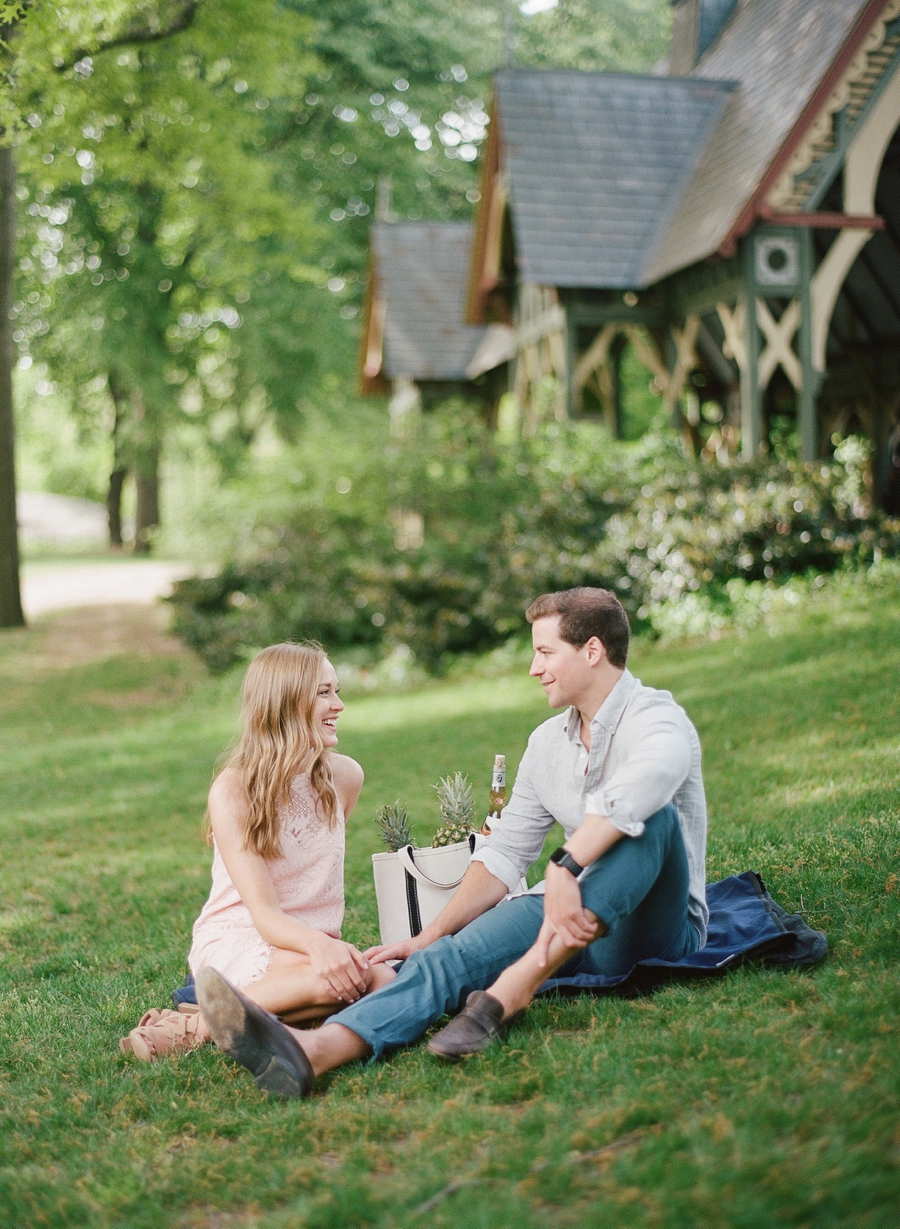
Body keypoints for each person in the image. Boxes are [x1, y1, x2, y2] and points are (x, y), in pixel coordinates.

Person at [194, 588, 708, 1098]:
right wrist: (430, 933)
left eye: (545, 652)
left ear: (591, 651)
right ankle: (316, 1051)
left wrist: (567, 865)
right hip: (566, 917)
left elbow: (645, 786)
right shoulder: (548, 742)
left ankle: (513, 989)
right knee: (445, 957)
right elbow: (505, 852)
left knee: (652, 820)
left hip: (647, 932)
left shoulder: (657, 720)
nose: (533, 667)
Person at [119, 641, 395, 1061]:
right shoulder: (234, 790)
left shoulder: (345, 778)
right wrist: (320, 948)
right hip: (243, 935)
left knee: (383, 981)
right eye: (324, 693)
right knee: (346, 982)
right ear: (285, 702)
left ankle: (223, 1014)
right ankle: (194, 1028)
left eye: (336, 691)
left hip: (304, 945)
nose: (339, 704)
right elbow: (264, 914)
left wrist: (322, 945)